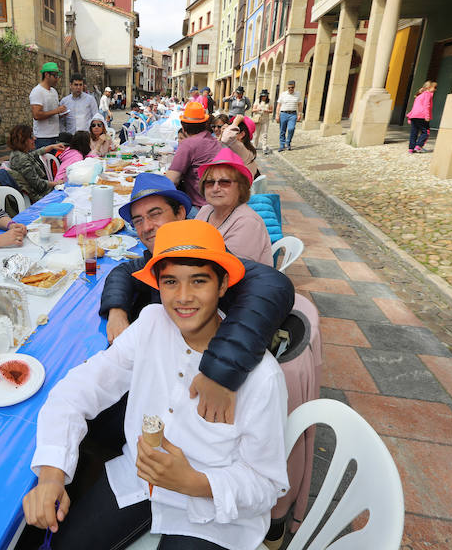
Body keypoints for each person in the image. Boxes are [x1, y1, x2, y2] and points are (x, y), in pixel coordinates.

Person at [24, 219, 289, 549]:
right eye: (170, 282)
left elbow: (266, 484)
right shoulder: (151, 323)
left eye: (198, 281)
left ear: (223, 286)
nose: (183, 297)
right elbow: (77, 390)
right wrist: (51, 474)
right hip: (138, 476)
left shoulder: (263, 377)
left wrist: (193, 482)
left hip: (213, 511)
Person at [100, 172, 294, 423]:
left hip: (193, 393)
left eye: (155, 214)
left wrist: (219, 372)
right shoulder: (159, 255)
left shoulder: (206, 255)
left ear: (181, 213)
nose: (147, 227)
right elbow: (124, 270)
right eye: (138, 220)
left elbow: (273, 284)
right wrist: (117, 309)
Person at [196, 148, 272, 265]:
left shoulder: (248, 222)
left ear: (240, 187)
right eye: (210, 182)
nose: (216, 188)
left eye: (225, 182)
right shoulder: (205, 210)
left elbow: (233, 268)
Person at [166, 101, 221, 211]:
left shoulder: (188, 144)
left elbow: (171, 180)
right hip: (217, 202)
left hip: (200, 207)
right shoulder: (213, 140)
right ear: (205, 124)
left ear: (183, 126)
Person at [7, 124, 64, 204]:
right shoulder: (22, 159)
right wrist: (57, 183)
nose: (34, 138)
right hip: (38, 197)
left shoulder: (17, 154)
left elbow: (34, 153)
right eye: (31, 137)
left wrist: (51, 147)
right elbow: (39, 185)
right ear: (23, 140)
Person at [30, 62, 69, 149]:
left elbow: (52, 113)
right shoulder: (37, 91)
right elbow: (36, 115)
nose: (57, 79)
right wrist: (57, 111)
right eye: (55, 76)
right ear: (47, 75)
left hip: (55, 135)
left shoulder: (54, 91)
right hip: (43, 137)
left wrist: (61, 114)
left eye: (58, 76)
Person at [406, 81, 437, 154]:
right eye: (434, 87)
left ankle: (411, 149)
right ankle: (418, 146)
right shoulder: (428, 94)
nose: (435, 89)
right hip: (422, 116)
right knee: (426, 132)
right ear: (429, 87)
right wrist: (427, 116)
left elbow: (414, 107)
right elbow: (427, 105)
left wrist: (410, 117)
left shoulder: (419, 95)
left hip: (414, 116)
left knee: (414, 133)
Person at [275, 80, 302, 152]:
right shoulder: (283, 94)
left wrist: (300, 114)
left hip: (293, 114)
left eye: (292, 87)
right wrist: (277, 115)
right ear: (287, 87)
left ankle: (288, 142)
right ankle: (282, 145)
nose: (291, 89)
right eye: (289, 87)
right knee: (282, 130)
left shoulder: (298, 94)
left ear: (294, 87)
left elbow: (299, 105)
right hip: (283, 113)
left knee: (291, 129)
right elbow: (278, 105)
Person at [252, 89, 273, 155]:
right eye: (263, 96)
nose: (264, 97)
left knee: (264, 134)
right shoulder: (257, 101)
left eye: (265, 96)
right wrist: (258, 109)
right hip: (258, 119)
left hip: (265, 119)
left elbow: (271, 110)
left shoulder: (269, 101)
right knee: (256, 134)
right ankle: (254, 146)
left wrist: (267, 110)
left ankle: (264, 147)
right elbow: (253, 109)